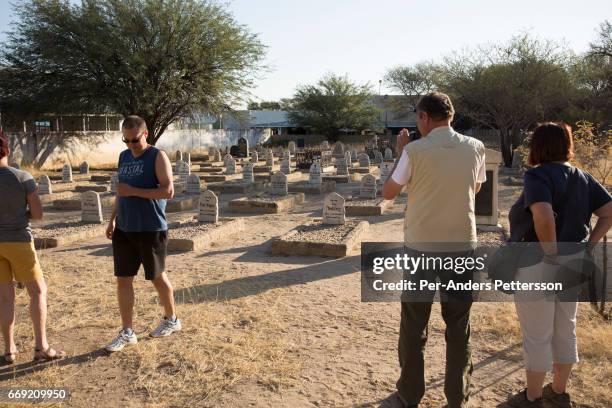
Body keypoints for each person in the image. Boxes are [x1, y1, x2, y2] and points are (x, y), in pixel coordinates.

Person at [383, 92, 486, 408]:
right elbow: (476, 187)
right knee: (458, 325)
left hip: (421, 249)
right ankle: (457, 396)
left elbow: (388, 192)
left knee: (414, 324)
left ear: (425, 117)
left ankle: (410, 393)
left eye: (418, 118)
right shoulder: (476, 148)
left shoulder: (413, 150)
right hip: (461, 247)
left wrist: (401, 154)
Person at [507, 122, 612, 408]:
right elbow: (608, 212)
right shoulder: (583, 176)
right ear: (567, 144)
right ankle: (559, 391)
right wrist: (589, 245)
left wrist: (551, 252)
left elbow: (543, 215)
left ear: (538, 146)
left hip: (539, 262)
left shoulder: (537, 176)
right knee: (566, 328)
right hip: (574, 261)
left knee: (538, 334)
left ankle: (532, 397)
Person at [104, 115, 181, 352]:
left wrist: (133, 191)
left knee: (157, 277)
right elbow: (121, 192)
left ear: (145, 134)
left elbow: (168, 192)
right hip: (125, 227)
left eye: (134, 140)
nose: (130, 145)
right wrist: (112, 219)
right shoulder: (124, 156)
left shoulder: (157, 156)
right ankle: (127, 332)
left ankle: (172, 320)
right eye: (125, 140)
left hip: (150, 227)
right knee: (123, 280)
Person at [0, 132, 65, 363]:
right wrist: (20, 214)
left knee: (4, 297)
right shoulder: (22, 177)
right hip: (18, 240)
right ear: (7, 151)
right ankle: (41, 347)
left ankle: (9, 350)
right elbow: (37, 214)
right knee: (37, 291)